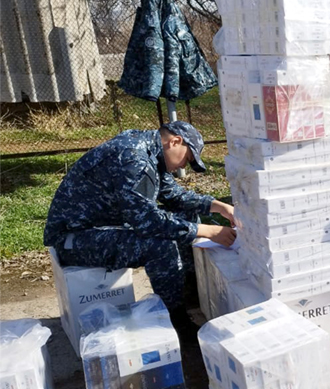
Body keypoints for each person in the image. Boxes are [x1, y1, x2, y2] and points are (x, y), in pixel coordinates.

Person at [44, 121, 239, 323]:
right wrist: (208, 231)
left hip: (101, 227)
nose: (183, 166)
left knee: (187, 215)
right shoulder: (133, 157)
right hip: (74, 238)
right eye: (187, 158)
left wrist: (219, 207)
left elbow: (174, 195)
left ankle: (188, 294)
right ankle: (176, 319)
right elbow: (147, 221)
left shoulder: (149, 150)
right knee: (159, 247)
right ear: (175, 142)